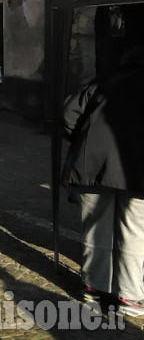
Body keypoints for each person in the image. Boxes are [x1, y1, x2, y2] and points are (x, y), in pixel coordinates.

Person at [63, 46, 144, 315]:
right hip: (137, 168)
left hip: (93, 162)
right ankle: (130, 297)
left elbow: (67, 115)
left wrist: (83, 138)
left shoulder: (104, 81)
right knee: (134, 231)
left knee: (96, 227)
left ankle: (95, 289)